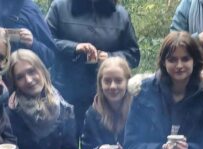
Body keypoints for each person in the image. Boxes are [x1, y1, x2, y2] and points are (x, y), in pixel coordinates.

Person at [46, 0, 140, 132]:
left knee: (102, 144)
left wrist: (109, 57)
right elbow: (45, 41)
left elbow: (134, 55)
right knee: (66, 144)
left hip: (107, 93)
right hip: (66, 90)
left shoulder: (120, 15)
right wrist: (74, 47)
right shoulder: (59, 7)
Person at [82, 57, 133, 149]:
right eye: (107, 81)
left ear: (128, 82)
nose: (112, 86)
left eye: (118, 80)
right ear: (100, 83)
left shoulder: (137, 110)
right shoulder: (92, 113)